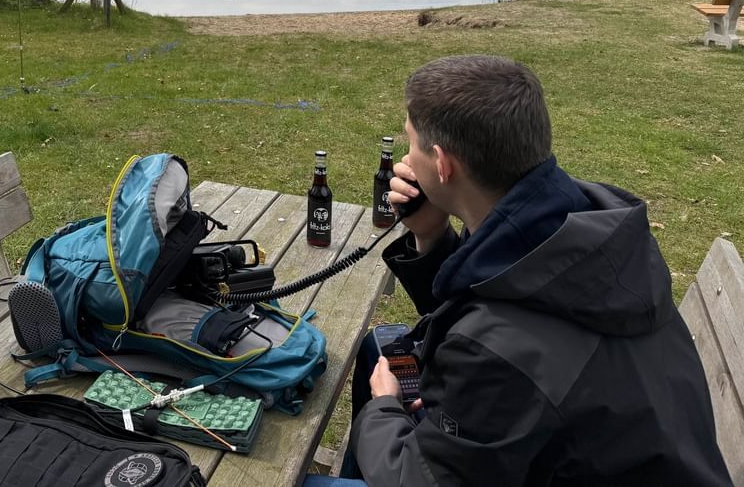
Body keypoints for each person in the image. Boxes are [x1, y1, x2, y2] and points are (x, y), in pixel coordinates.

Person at [312, 54, 731, 487]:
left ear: (441, 164)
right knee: (379, 349)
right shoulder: (575, 223)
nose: (406, 159)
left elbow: (421, 478)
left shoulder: (497, 353)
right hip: (592, 450)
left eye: (412, 144)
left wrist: (384, 408)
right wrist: (432, 235)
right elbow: (496, 300)